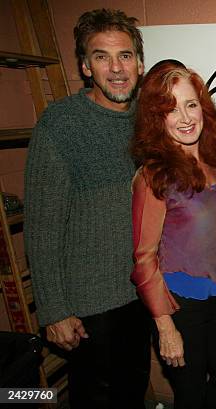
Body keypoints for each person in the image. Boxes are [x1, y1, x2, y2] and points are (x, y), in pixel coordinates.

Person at [24, 9, 150, 408]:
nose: (116, 68)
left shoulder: (147, 121)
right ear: (85, 66)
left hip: (141, 293)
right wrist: (54, 310)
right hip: (91, 306)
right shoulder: (60, 124)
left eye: (125, 56)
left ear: (140, 63)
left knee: (132, 392)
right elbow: (41, 228)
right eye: (101, 56)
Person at [131, 63, 216, 408]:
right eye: (170, 108)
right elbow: (143, 258)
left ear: (203, 108)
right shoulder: (153, 176)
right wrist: (165, 326)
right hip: (181, 307)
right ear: (156, 118)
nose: (184, 117)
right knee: (190, 394)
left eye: (190, 104)